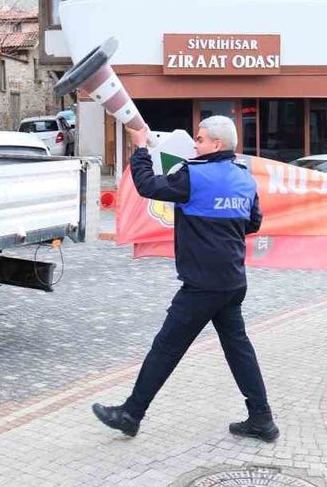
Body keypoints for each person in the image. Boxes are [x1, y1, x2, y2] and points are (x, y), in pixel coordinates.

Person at [91, 116, 278, 441]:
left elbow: (147, 185)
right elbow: (253, 223)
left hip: (202, 285)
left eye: (200, 139)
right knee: (238, 349)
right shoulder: (244, 178)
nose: (195, 144)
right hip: (232, 281)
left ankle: (131, 414)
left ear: (216, 144)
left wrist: (140, 149)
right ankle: (262, 419)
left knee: (166, 347)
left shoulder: (194, 175)